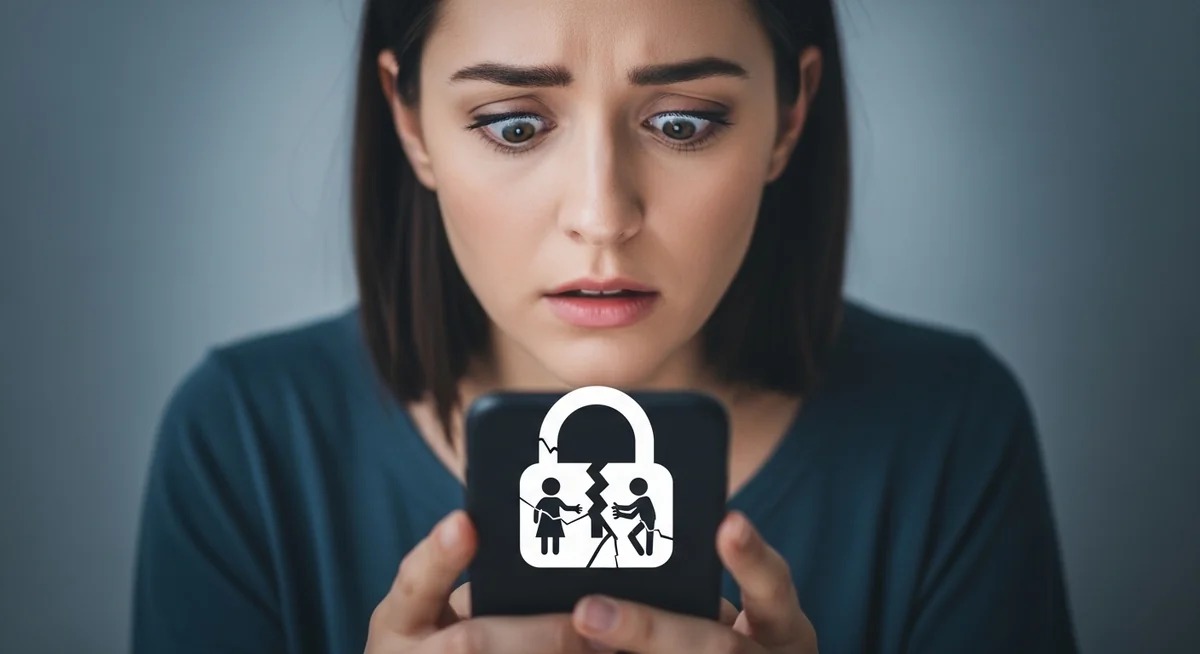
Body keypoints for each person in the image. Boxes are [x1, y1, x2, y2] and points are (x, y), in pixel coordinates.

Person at [131, 0, 1079, 652]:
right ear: (411, 121)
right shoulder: (244, 444)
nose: (602, 213)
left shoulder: (950, 430)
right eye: (512, 124)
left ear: (790, 116)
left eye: (682, 123)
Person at [533, 477, 581, 555]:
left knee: (553, 536)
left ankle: (553, 551)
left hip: (550, 521)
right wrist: (575, 508)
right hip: (550, 521)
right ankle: (546, 551)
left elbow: (536, 510)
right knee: (548, 536)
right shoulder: (548, 500)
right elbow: (536, 509)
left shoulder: (546, 500)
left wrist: (574, 508)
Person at [612, 478, 657, 556]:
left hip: (648, 521)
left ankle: (645, 553)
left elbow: (629, 508)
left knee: (646, 536)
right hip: (646, 521)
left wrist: (618, 508)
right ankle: (643, 552)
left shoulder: (644, 500)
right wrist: (620, 513)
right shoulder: (642, 502)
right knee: (634, 536)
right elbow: (631, 515)